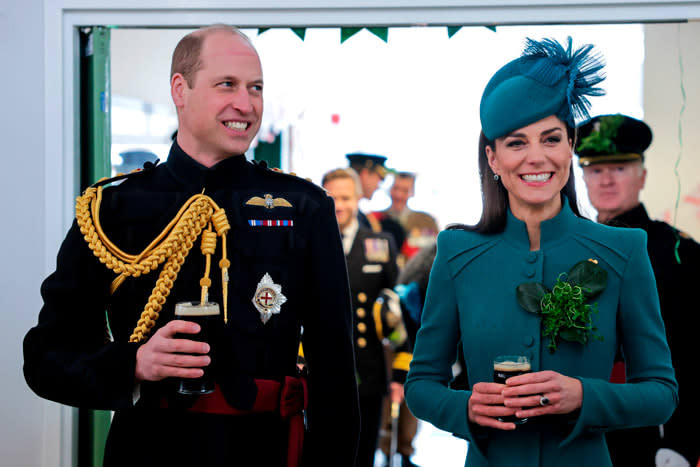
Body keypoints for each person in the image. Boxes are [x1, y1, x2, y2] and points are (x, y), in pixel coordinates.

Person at [23, 25, 360, 467]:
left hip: (266, 451)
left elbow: (335, 376)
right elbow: (47, 357)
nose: (246, 103)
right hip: (149, 450)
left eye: (255, 87)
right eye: (228, 85)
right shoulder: (113, 208)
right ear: (180, 89)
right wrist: (134, 363)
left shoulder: (304, 207)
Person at [404, 37, 678, 467]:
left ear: (570, 145)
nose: (537, 157)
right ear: (492, 159)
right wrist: (464, 409)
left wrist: (586, 395)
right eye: (516, 143)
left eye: (551, 139)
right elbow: (421, 384)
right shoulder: (456, 252)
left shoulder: (624, 249)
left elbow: (661, 393)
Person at [578, 114, 700, 466]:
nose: (606, 180)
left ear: (641, 174)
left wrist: (683, 443)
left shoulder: (680, 253)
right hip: (578, 430)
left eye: (619, 167)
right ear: (583, 176)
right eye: (596, 169)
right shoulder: (568, 248)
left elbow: (694, 357)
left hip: (651, 433)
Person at [322, 168, 407, 467]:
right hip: (321, 371)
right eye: (331, 198)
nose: (339, 205)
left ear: (358, 198)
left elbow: (399, 311)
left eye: (345, 197)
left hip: (367, 372)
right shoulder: (311, 241)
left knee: (363, 453)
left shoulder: (380, 244)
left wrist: (400, 372)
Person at [347, 152, 406, 250]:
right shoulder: (350, 214)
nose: (378, 185)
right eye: (378, 178)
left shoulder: (363, 216)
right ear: (365, 174)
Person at [381, 172, 439, 261]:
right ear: (390, 190)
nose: (398, 195)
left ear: (412, 193)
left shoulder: (426, 221)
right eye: (396, 188)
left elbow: (434, 253)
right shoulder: (376, 219)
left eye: (405, 190)